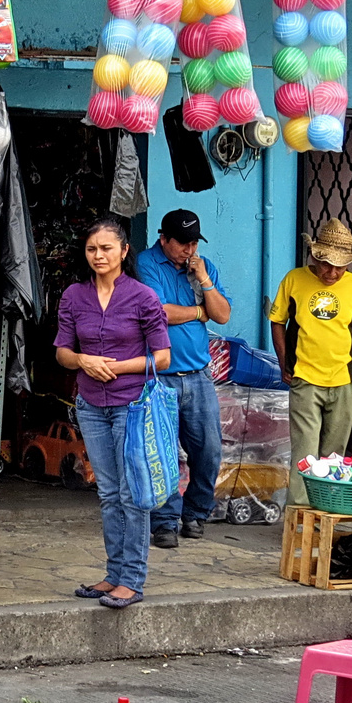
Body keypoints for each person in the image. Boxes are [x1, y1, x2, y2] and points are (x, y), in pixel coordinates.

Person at [55, 216, 171, 609]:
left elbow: (163, 357)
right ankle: (113, 574)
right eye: (92, 249)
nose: (98, 255)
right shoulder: (73, 296)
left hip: (132, 406)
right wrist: (85, 361)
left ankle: (132, 579)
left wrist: (117, 367)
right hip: (90, 405)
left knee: (131, 491)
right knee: (107, 492)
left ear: (123, 251)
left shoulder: (143, 297)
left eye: (106, 248)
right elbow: (62, 353)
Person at [135, 209, 231, 548]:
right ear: (164, 239)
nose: (189, 250)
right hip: (160, 377)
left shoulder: (202, 268)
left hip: (199, 376)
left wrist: (204, 281)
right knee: (161, 452)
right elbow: (157, 312)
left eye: (193, 243)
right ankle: (164, 522)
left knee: (208, 451)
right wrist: (197, 312)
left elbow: (221, 314)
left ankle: (195, 514)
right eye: (183, 243)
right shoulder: (147, 263)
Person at [269, 218, 352, 507]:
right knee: (305, 455)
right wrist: (283, 362)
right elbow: (277, 322)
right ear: (315, 256)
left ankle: (326, 512)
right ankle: (300, 518)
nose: (333, 272)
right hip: (305, 378)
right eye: (327, 264)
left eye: (341, 266)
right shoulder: (294, 280)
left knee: (334, 456)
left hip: (344, 380)